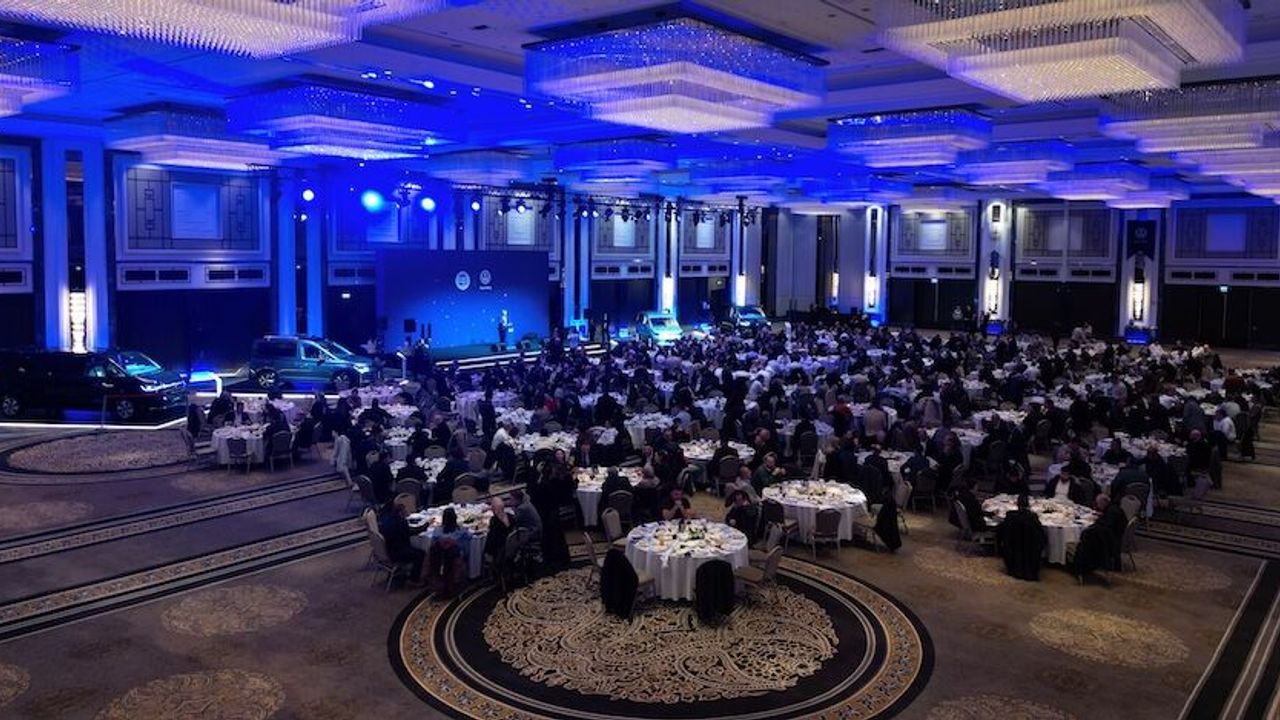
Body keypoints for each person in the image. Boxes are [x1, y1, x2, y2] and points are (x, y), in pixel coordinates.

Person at [996, 493, 1047, 581]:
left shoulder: (1010, 516)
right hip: (1030, 552)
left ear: (1017, 504)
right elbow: (1042, 537)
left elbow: (1000, 533)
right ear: (1028, 505)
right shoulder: (1032, 518)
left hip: (1013, 550)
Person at [424, 507, 472, 598]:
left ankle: (438, 581)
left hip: (438, 560)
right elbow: (466, 550)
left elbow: (432, 547)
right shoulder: (462, 532)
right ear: (455, 517)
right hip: (454, 558)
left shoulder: (437, 532)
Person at [378, 502, 425, 584]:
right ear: (400, 513)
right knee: (421, 554)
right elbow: (412, 532)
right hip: (398, 553)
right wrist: (426, 525)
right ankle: (414, 580)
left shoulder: (390, 520)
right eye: (405, 511)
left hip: (389, 550)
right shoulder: (401, 522)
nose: (407, 512)